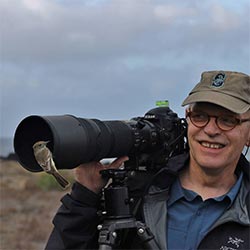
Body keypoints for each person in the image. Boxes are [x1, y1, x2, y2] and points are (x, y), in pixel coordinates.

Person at [45, 70, 250, 250]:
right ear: (187, 119)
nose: (211, 130)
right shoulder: (136, 195)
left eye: (227, 120)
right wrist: (84, 198)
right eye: (200, 116)